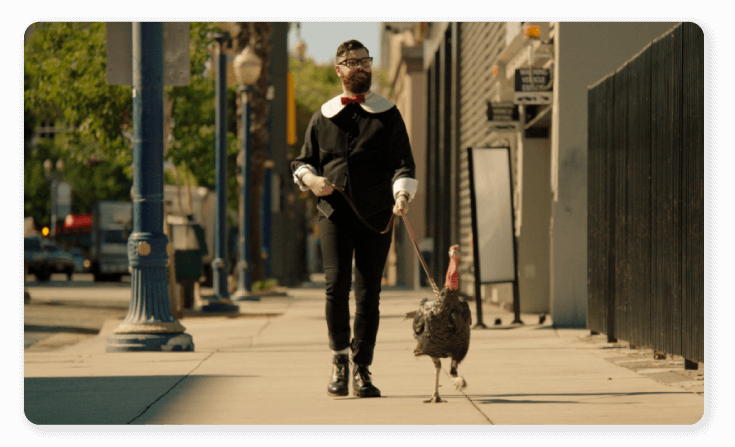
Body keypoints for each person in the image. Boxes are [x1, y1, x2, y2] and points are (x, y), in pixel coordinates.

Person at [291, 39, 418, 398]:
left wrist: (402, 194)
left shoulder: (389, 114)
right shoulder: (322, 116)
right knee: (335, 287)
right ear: (339, 70)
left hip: (377, 216)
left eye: (365, 61)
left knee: (368, 293)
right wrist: (312, 180)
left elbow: (403, 164)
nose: (360, 67)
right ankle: (338, 361)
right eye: (352, 62)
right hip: (333, 215)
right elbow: (302, 163)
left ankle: (362, 368)